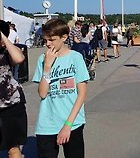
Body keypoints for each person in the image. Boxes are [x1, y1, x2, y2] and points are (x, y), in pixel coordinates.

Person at [32, 19, 90, 158]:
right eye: (45, 39)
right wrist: (47, 67)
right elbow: (42, 93)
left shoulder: (75, 58)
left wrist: (68, 125)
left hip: (72, 122)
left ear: (64, 37)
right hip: (47, 124)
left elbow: (81, 94)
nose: (47, 44)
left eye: (52, 39)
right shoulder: (43, 59)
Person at [0, 20, 27, 158]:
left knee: (13, 150)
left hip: (11, 106)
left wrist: (3, 37)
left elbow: (19, 58)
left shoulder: (8, 52)